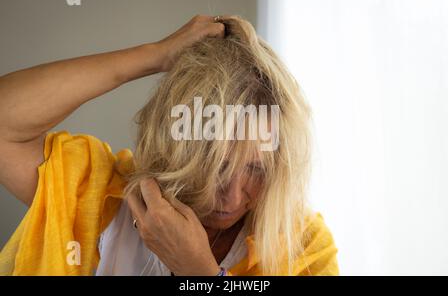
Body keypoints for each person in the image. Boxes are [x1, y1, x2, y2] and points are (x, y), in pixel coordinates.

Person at [0, 15, 338, 276]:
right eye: (217, 165)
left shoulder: (304, 247)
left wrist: (201, 273)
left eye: (256, 168)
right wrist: (157, 55)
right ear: (177, 145)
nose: (233, 197)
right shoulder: (97, 192)